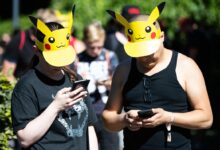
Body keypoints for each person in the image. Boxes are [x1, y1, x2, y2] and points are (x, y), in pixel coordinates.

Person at [102, 2, 213, 150]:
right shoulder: (124, 70)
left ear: (161, 37)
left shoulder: (185, 66)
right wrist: (125, 119)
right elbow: (108, 117)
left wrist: (169, 117)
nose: (145, 57)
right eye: (140, 53)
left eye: (150, 51)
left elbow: (206, 118)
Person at [11, 6, 98, 150]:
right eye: (52, 58)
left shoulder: (74, 78)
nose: (58, 64)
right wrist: (56, 106)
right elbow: (25, 138)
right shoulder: (26, 86)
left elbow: (89, 126)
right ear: (36, 51)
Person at [75, 21, 119, 150]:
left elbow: (119, 84)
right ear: (85, 42)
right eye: (91, 47)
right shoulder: (77, 59)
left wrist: (106, 83)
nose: (95, 51)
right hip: (85, 113)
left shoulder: (109, 56)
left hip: (106, 110)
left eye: (99, 47)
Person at [1, 8, 58, 82]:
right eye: (47, 27)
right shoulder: (19, 40)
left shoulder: (53, 41)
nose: (50, 31)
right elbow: (7, 74)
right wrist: (22, 89)